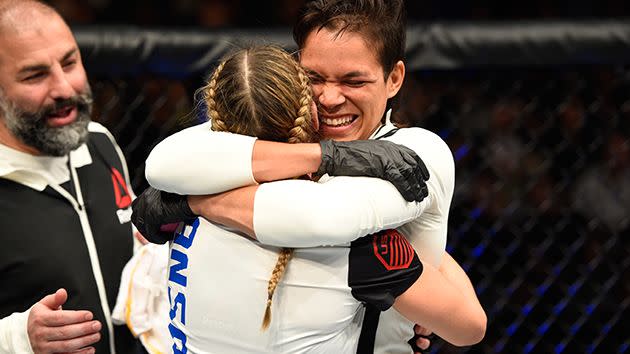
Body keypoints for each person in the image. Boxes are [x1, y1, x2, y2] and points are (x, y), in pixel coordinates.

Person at [134, 0, 480, 353]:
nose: (330, 98)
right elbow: (162, 162)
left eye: (353, 81)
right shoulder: (281, 137)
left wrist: (192, 202)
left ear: (394, 79)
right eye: (314, 78)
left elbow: (322, 218)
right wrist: (327, 154)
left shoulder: (417, 153)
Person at [0, 1, 141, 353]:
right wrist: (19, 338)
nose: (64, 88)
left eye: (69, 63)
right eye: (35, 75)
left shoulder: (99, 142)